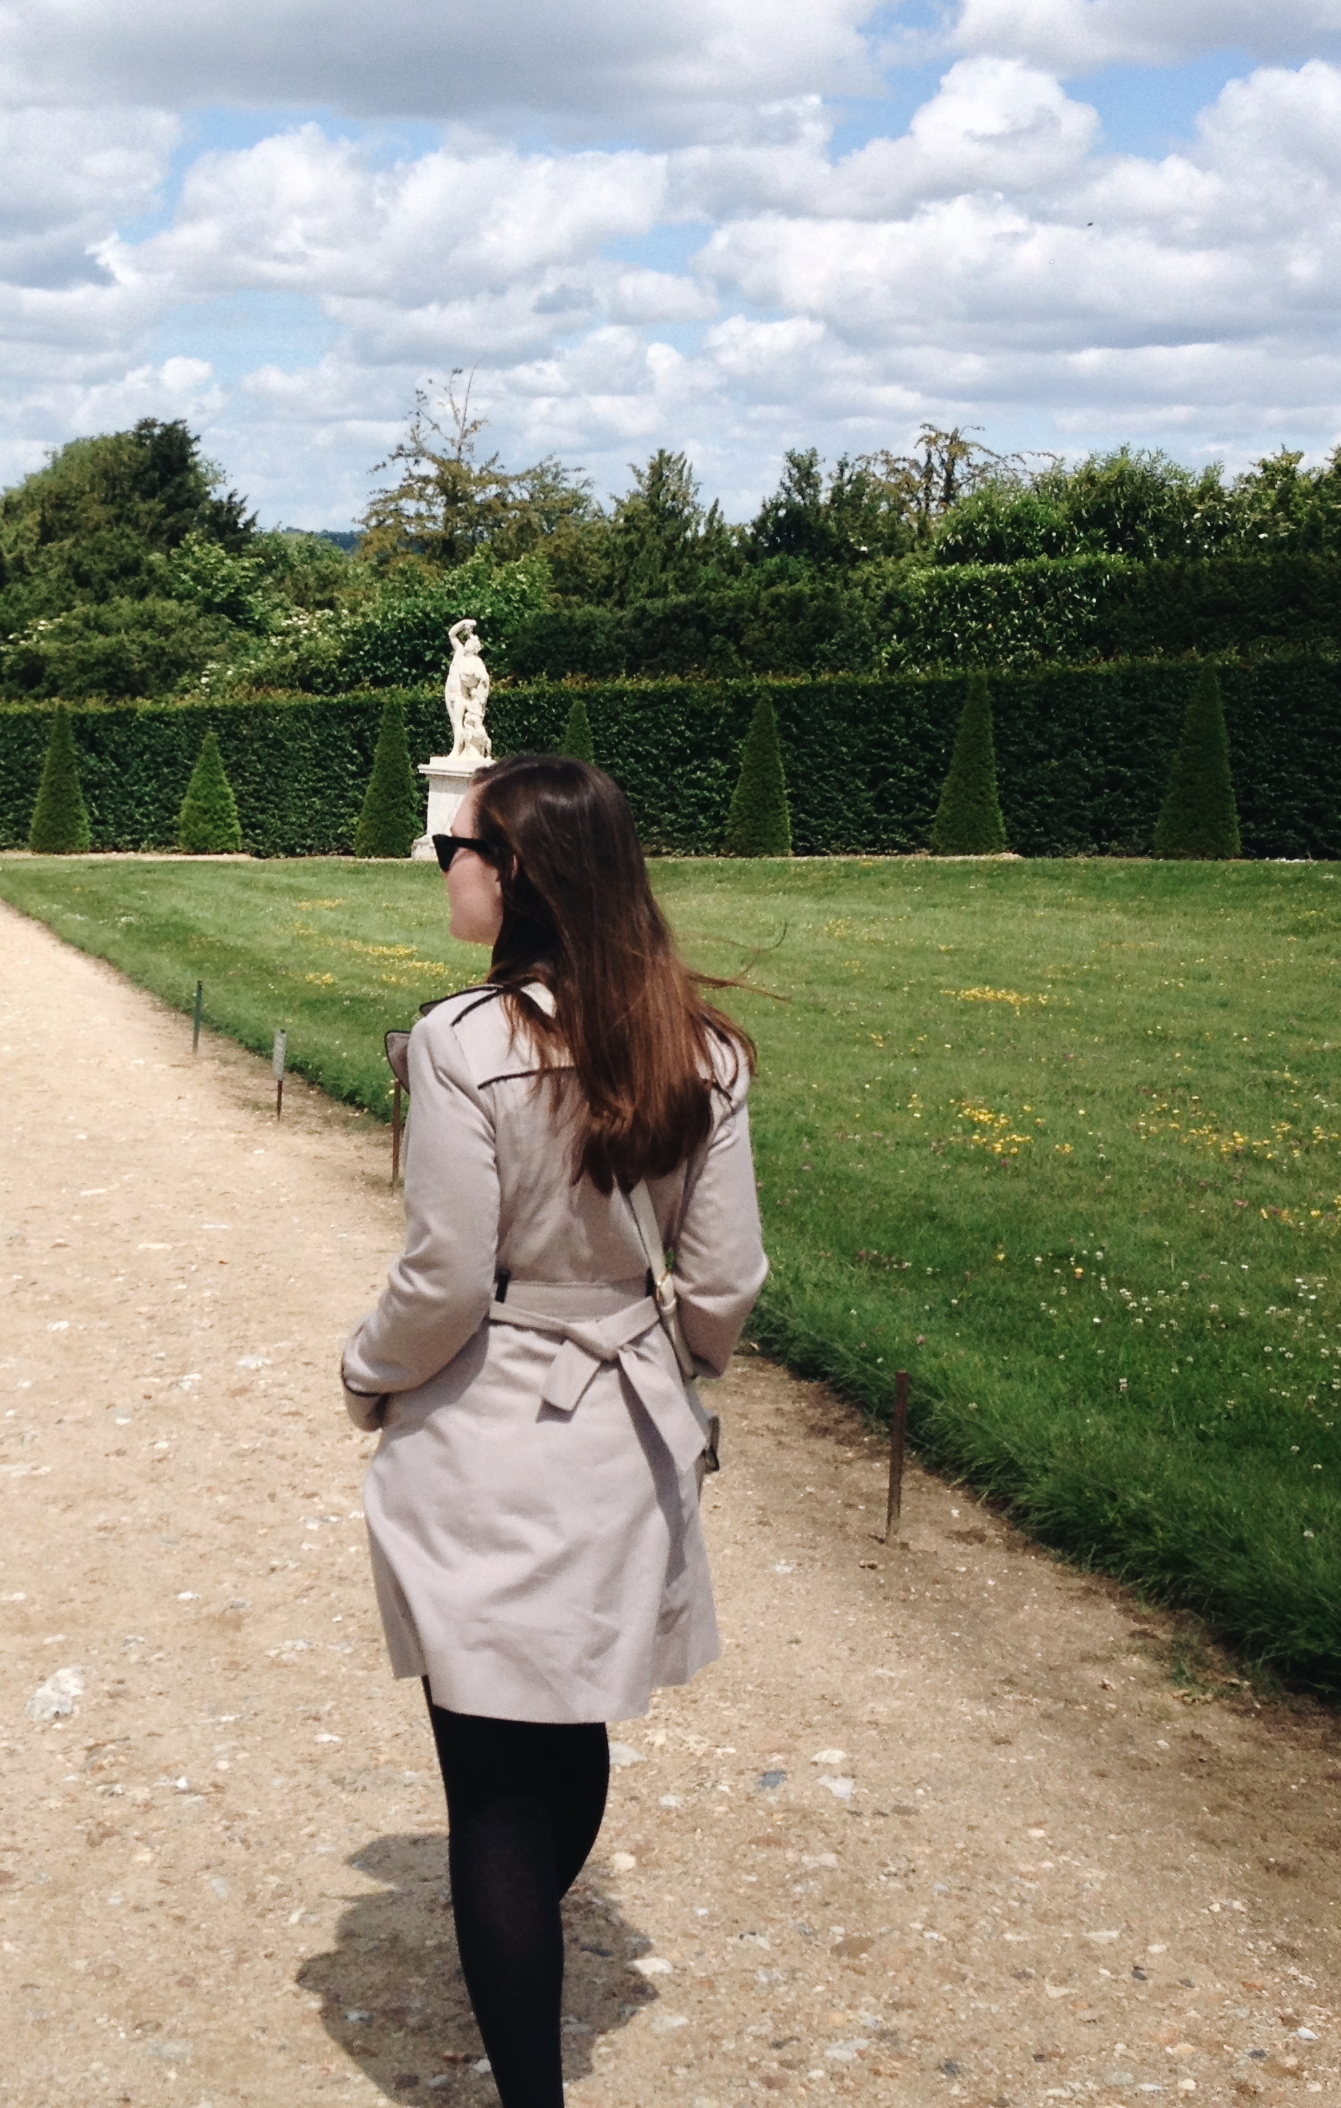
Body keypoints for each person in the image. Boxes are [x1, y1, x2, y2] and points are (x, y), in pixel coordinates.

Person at [340, 755, 767, 2107]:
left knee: (491, 1782)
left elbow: (446, 1278)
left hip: (487, 1419)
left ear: (516, 872)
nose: (443, 865)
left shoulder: (466, 1045)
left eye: (452, 845)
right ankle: (521, 1951)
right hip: (624, 1423)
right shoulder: (702, 1046)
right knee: (570, 1725)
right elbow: (725, 1281)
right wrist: (672, 1361)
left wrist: (367, 1371)